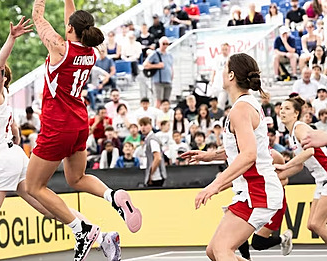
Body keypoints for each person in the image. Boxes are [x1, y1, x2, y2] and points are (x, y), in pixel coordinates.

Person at [0, 17, 121, 261]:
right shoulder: (2, 99)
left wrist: (12, 38)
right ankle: (100, 235)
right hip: (14, 154)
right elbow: (16, 131)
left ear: (2, 79)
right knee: (48, 207)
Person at [25, 0, 141, 260]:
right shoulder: (90, 51)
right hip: (79, 122)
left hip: (57, 124)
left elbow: (37, 16)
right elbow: (73, 23)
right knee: (77, 178)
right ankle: (112, 196)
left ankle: (82, 228)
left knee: (34, 186)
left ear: (70, 29)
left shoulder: (60, 48)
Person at [181, 53, 283, 261]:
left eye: (223, 68)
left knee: (222, 250)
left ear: (231, 75)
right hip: (253, 189)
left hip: (258, 191)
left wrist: (214, 186)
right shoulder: (245, 105)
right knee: (214, 251)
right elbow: (243, 147)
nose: (220, 72)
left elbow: (249, 154)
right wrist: (211, 155)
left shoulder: (241, 109)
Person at [275, 96, 327, 243]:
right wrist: (274, 177)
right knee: (312, 224)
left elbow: (310, 151)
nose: (282, 111)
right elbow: (299, 165)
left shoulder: (299, 127)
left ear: (296, 113)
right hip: (321, 180)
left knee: (317, 224)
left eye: (287, 108)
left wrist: (285, 165)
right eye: (281, 108)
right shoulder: (290, 135)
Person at [142, 36, 173, 107]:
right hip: (158, 81)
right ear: (160, 44)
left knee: (166, 100)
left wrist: (171, 77)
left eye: (167, 44)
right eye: (163, 44)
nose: (165, 46)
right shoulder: (155, 54)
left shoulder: (169, 55)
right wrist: (156, 65)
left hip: (168, 80)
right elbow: (145, 64)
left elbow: (171, 67)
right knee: (159, 100)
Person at [139, 117, 166, 187]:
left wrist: (150, 174)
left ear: (151, 126)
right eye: (141, 125)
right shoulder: (148, 139)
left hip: (156, 177)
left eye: (145, 125)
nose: (143, 128)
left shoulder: (152, 140)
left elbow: (158, 158)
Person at [210, 42, 230, 110]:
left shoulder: (230, 59)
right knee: (216, 102)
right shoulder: (217, 59)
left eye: (226, 49)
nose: (224, 51)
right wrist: (212, 81)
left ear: (228, 49)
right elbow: (214, 70)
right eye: (223, 49)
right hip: (217, 84)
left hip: (225, 85)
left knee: (222, 102)